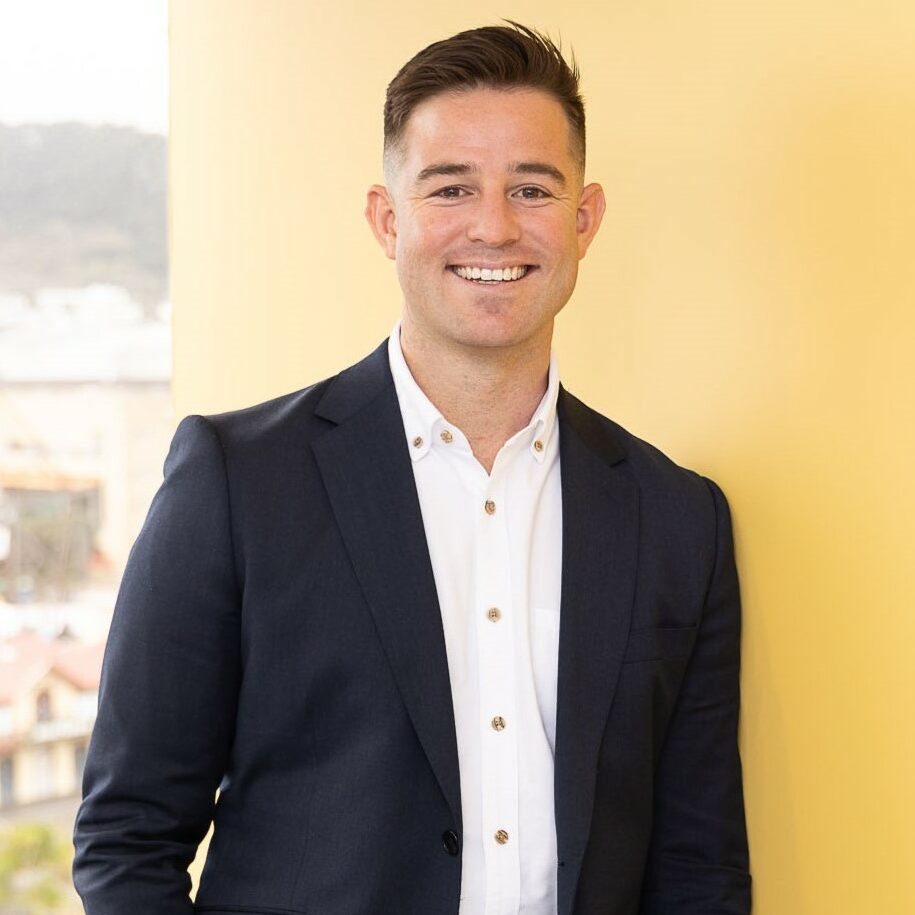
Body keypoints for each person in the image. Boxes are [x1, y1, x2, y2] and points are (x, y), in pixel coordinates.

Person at [73, 22, 751, 915]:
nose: (494, 225)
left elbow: (698, 866)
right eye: (451, 187)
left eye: (531, 188)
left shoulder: (678, 518)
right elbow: (127, 836)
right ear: (387, 220)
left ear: (582, 221)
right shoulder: (237, 481)